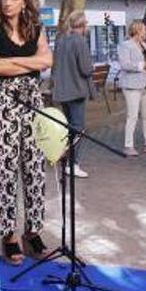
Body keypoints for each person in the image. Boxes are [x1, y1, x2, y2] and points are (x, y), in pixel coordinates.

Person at [0, 0, 53, 266]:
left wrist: (17, 62)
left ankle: (32, 232)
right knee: (5, 172)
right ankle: (9, 235)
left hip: (32, 105)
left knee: (35, 170)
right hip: (3, 107)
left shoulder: (36, 30)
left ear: (25, 2)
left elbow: (48, 61)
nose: (7, 2)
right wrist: (31, 61)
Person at [51, 11, 93, 175]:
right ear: (83, 26)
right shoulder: (80, 41)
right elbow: (85, 68)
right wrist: (91, 68)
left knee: (68, 127)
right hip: (76, 91)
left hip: (62, 90)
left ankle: (66, 160)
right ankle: (72, 164)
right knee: (78, 128)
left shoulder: (61, 41)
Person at [117, 19, 146, 157]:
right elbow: (125, 64)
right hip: (132, 86)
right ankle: (128, 145)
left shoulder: (144, 45)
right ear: (138, 30)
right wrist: (143, 65)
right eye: (144, 29)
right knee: (132, 115)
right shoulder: (125, 45)